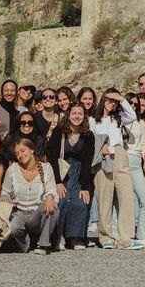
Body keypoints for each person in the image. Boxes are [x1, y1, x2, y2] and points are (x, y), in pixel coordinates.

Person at [92, 87, 139, 249]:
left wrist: (120, 98)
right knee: (104, 198)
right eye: (109, 100)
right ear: (102, 100)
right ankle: (106, 237)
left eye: (114, 101)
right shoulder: (93, 120)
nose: (112, 103)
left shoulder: (118, 118)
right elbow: (91, 138)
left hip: (119, 155)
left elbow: (133, 115)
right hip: (103, 157)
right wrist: (100, 145)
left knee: (126, 196)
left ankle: (126, 239)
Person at [47, 104, 95, 250]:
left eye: (80, 114)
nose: (77, 116)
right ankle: (58, 236)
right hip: (61, 172)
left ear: (84, 116)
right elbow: (52, 157)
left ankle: (74, 238)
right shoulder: (59, 132)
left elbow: (88, 161)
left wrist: (85, 187)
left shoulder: (88, 135)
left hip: (79, 173)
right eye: (74, 113)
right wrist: (57, 182)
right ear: (68, 115)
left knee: (80, 202)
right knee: (61, 201)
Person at [1, 137, 58, 253]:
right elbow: (5, 192)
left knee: (52, 207)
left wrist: (49, 198)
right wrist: (5, 198)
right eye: (17, 153)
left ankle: (43, 244)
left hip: (36, 213)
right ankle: (25, 245)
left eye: (23, 151)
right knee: (12, 229)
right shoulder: (12, 170)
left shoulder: (46, 168)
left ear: (32, 150)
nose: (20, 155)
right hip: (19, 212)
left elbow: (51, 190)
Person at [124, 92, 145, 248]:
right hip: (121, 161)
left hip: (136, 162)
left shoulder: (141, 122)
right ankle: (119, 235)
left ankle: (143, 236)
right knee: (121, 200)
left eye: (136, 104)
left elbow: (143, 145)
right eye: (131, 103)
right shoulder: (120, 120)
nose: (134, 106)